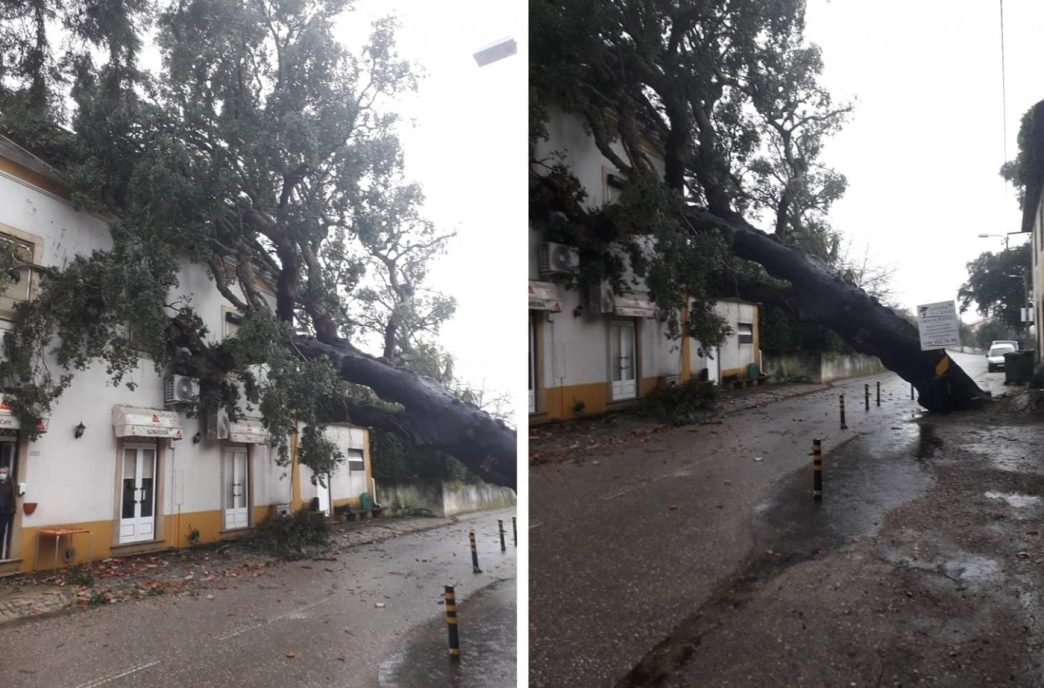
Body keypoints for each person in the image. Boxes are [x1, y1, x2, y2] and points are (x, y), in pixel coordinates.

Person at [0, 466, 14, 560]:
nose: (2, 474)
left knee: (1, 532)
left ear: (8, 474)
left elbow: (12, 496)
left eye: (4, 473)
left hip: (5, 512)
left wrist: (13, 508)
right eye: (0, 472)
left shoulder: (10, 483)